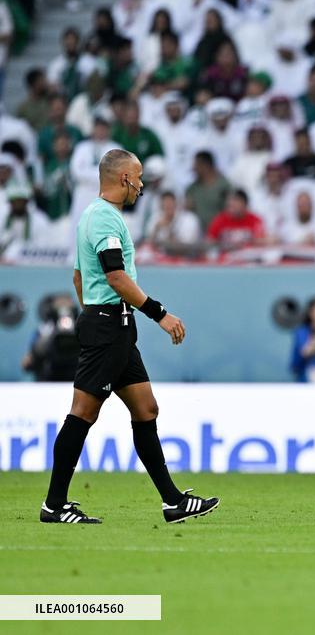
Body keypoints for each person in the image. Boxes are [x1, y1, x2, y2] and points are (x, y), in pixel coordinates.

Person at [39, 149, 218, 524]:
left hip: (112, 324)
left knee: (146, 408)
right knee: (83, 412)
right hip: (110, 325)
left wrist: (94, 312)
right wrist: (159, 314)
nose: (141, 185)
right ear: (124, 179)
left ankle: (173, 502)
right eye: (138, 177)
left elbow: (78, 277)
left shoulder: (91, 215)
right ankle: (53, 506)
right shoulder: (105, 219)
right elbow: (116, 277)